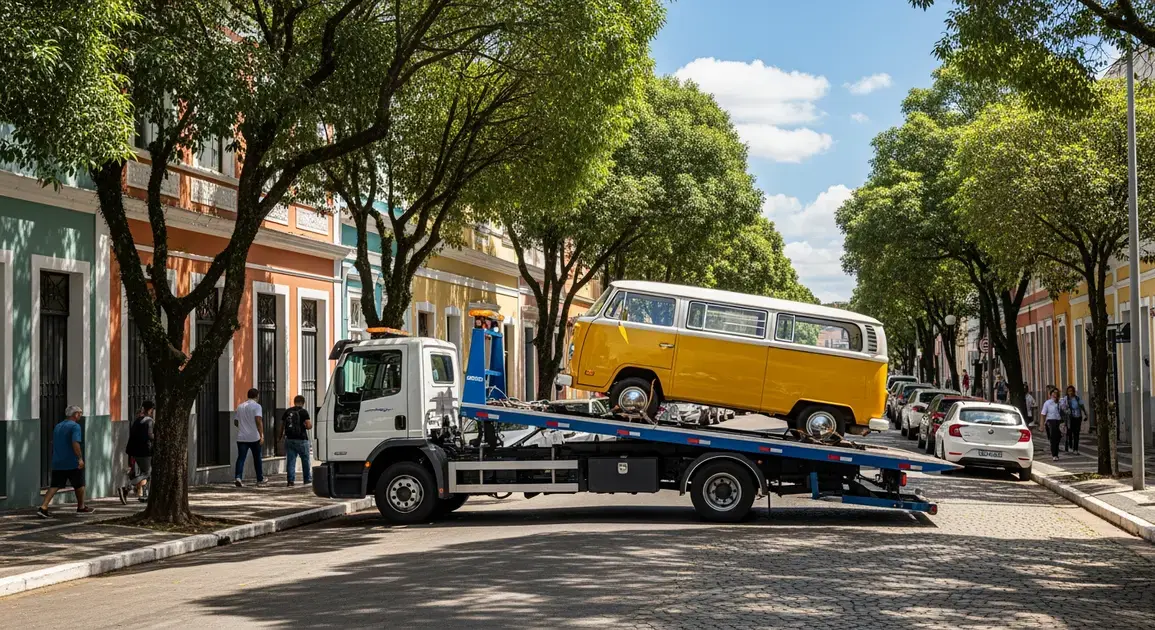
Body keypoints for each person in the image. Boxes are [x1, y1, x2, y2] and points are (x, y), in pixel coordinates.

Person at [38, 406, 95, 517]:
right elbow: (75, 443)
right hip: (71, 461)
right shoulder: (75, 427)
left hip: (58, 460)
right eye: (80, 413)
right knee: (79, 484)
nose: (80, 415)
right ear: (75, 414)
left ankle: (43, 507)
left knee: (55, 485)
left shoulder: (58, 426)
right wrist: (80, 458)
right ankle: (81, 506)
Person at [120, 400, 155, 503]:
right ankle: (127, 487)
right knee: (147, 473)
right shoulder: (149, 421)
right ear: (150, 410)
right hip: (145, 451)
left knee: (141, 472)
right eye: (152, 410)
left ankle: (145, 494)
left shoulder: (137, 420)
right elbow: (150, 435)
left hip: (134, 451)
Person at [278, 395, 313, 487]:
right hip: (302, 439)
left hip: (289, 439)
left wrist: (280, 436)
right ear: (303, 402)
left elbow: (282, 425)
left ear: (294, 402)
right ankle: (307, 479)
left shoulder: (287, 411)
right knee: (305, 460)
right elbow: (309, 426)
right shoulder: (303, 412)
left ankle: (290, 481)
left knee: (291, 460)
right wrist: (305, 426)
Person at [234, 388, 266, 487]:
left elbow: (235, 421)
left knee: (241, 458)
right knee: (257, 458)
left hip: (241, 437)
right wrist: (261, 435)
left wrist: (242, 427)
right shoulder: (257, 406)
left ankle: (238, 477)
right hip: (254, 437)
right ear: (257, 396)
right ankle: (260, 479)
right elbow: (258, 420)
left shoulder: (240, 406)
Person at [1041, 388, 1064, 461]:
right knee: (1053, 438)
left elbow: (1064, 411)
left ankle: (1056, 451)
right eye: (1053, 393)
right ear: (1050, 395)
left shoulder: (1060, 402)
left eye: (1056, 393)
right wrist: (1041, 425)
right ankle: (1054, 454)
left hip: (1058, 421)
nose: (1055, 395)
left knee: (1058, 437)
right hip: (1050, 421)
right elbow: (1043, 414)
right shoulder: (1047, 403)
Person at [1061, 385, 1085, 455]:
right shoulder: (1065, 399)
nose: (1070, 392)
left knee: (1076, 433)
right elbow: (1062, 407)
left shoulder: (1077, 398)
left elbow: (1081, 405)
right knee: (1069, 433)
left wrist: (1085, 413)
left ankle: (1075, 449)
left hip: (1077, 417)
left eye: (1072, 391)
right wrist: (1065, 407)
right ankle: (1069, 446)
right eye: (1069, 391)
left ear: (1074, 392)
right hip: (1069, 418)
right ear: (1067, 392)